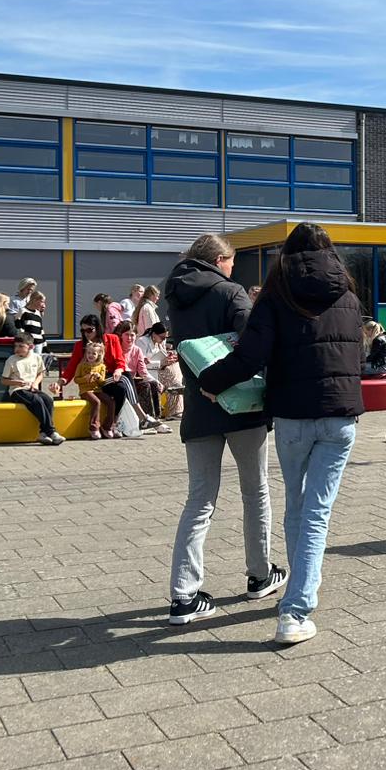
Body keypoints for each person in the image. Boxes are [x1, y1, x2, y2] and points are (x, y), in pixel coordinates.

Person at [196, 223, 360, 645]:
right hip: (340, 415)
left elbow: (250, 357)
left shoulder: (275, 295)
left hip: (292, 416)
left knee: (298, 507)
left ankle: (296, 603)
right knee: (316, 512)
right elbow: (354, 353)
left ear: (286, 255)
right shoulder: (347, 294)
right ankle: (298, 602)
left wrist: (211, 381)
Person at [163, 234, 285, 625]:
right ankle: (260, 575)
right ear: (219, 259)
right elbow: (255, 343)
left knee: (199, 500)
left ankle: (183, 596)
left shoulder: (174, 296)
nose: (234, 268)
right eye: (232, 262)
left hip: (198, 411)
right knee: (256, 491)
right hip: (240, 407)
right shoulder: (231, 293)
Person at [60, 313, 134, 437]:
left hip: (107, 378)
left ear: (97, 328)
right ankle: (141, 416)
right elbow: (71, 368)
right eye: (83, 330)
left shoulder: (112, 339)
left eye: (89, 330)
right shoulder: (80, 346)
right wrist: (61, 381)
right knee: (125, 380)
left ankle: (112, 422)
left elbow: (120, 360)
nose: (86, 333)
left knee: (123, 383)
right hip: (92, 384)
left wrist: (118, 370)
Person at [1, 332, 65, 445]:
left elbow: (41, 374)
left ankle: (43, 433)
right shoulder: (11, 360)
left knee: (48, 400)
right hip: (17, 390)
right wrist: (16, 382)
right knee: (37, 401)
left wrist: (35, 384)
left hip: (32, 388)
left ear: (31, 347)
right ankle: (51, 432)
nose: (17, 349)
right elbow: (3, 380)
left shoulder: (36, 357)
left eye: (21, 346)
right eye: (15, 346)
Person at [114, 320, 170, 433]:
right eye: (126, 335)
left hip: (132, 380)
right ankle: (144, 420)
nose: (129, 338)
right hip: (119, 380)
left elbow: (143, 372)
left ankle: (155, 420)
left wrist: (157, 382)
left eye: (132, 335)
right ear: (121, 335)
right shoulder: (117, 348)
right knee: (145, 386)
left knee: (152, 384)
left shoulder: (137, 350)